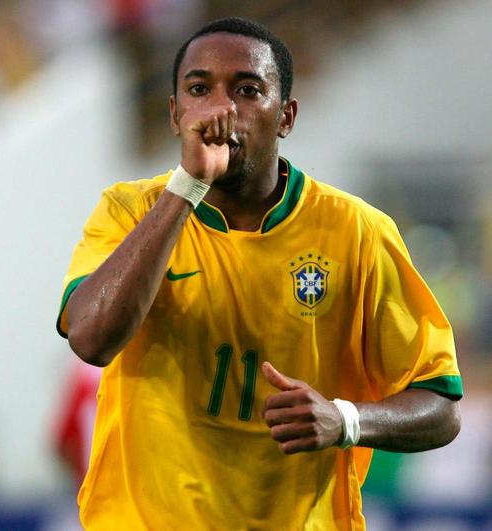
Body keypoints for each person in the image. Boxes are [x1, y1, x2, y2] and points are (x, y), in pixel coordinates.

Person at [56, 17, 462, 531]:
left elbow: (441, 406)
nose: (222, 110)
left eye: (248, 90)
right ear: (176, 113)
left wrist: (346, 420)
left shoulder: (357, 231)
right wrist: (187, 188)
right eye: (199, 89)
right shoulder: (128, 210)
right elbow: (91, 340)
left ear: (286, 115)